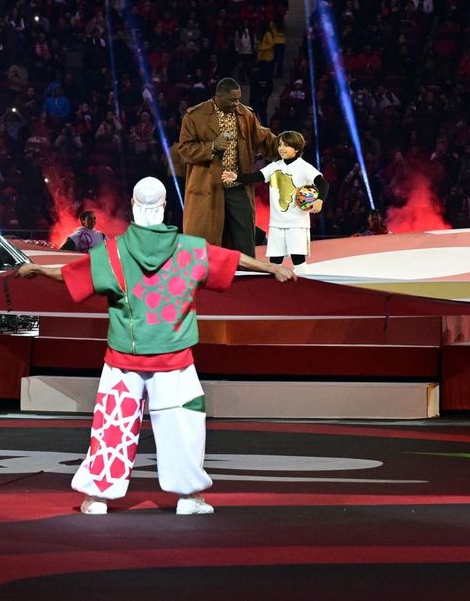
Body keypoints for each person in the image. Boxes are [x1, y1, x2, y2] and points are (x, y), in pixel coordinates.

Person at [17, 177, 296, 514]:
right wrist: (270, 267)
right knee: (184, 428)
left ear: (133, 207)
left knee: (112, 428)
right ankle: (188, 497)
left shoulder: (113, 252)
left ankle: (97, 497)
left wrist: (37, 269)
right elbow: (233, 260)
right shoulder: (189, 249)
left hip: (123, 359)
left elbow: (70, 274)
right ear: (164, 207)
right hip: (174, 359)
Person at [176, 78, 277, 255]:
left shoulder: (245, 114)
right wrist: (212, 146)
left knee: (244, 237)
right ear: (219, 96)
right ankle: (208, 276)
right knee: (207, 238)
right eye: (232, 100)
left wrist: (287, 145)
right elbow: (184, 149)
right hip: (208, 187)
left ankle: (246, 276)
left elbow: (264, 139)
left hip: (237, 185)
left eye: (238, 99)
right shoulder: (195, 116)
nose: (236, 104)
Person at [223, 129, 325, 267]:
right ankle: (275, 288)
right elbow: (256, 177)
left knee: (298, 260)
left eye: (286, 145)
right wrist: (236, 177)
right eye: (280, 145)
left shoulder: (304, 167)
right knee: (275, 262)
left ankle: (305, 287)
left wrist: (319, 200)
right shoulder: (275, 166)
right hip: (276, 224)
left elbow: (323, 183)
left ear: (296, 148)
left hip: (297, 223)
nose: (281, 148)